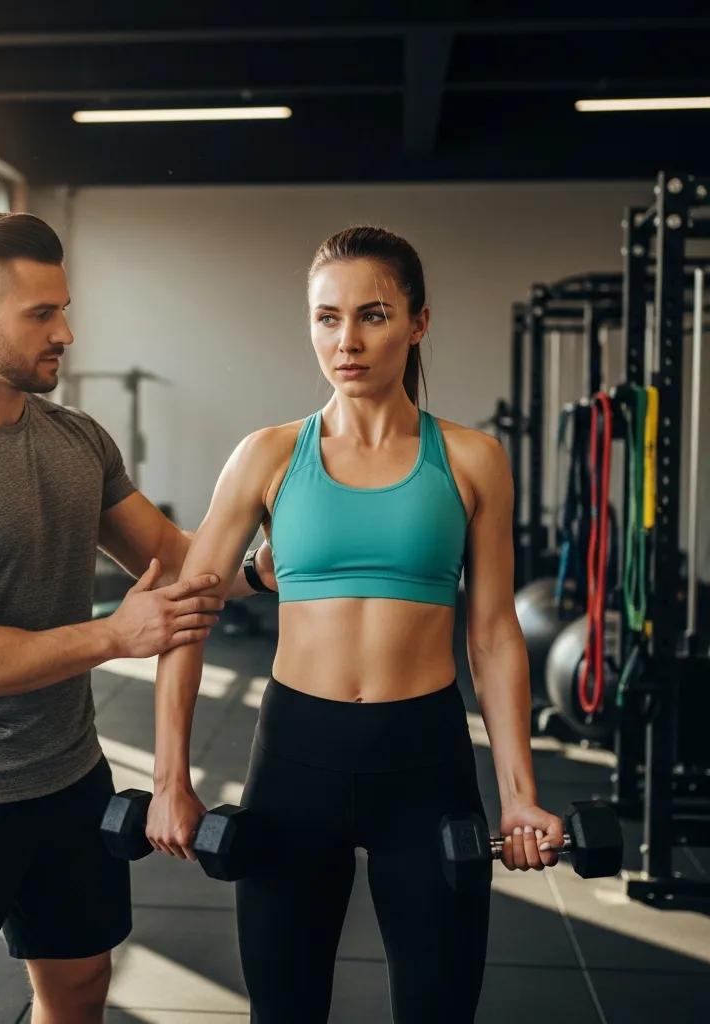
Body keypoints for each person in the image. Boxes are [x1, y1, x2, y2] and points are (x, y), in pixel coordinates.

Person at [0, 211, 275, 1024]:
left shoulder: (77, 439)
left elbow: (179, 560)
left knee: (78, 985)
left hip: (69, 772)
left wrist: (261, 569)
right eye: (41, 314)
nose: (67, 332)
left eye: (64, 308)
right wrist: (118, 634)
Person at [145, 225, 565, 1023]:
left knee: (439, 1009)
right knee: (285, 1009)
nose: (347, 340)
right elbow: (185, 615)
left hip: (427, 761)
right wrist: (171, 783)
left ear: (418, 323)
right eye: (326, 317)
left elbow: (494, 634)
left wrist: (519, 795)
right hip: (297, 762)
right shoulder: (266, 456)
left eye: (372, 315)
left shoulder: (473, 460)